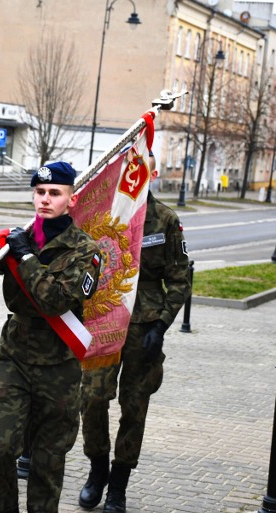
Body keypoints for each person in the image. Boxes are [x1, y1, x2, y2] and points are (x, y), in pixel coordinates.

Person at [0, 161, 102, 513]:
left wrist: (27, 257)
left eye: (54, 193)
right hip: (15, 357)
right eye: (40, 192)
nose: (45, 200)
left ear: (71, 200)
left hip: (59, 366)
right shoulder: (15, 239)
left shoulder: (86, 251)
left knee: (47, 464)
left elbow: (56, 301)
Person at [78, 153, 191, 513]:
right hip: (105, 322)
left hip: (144, 329)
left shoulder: (165, 220)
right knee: (93, 399)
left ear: (152, 173)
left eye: (141, 169)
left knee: (134, 406)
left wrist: (161, 324)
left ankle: (119, 484)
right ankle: (97, 469)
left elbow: (179, 277)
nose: (133, 175)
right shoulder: (104, 214)